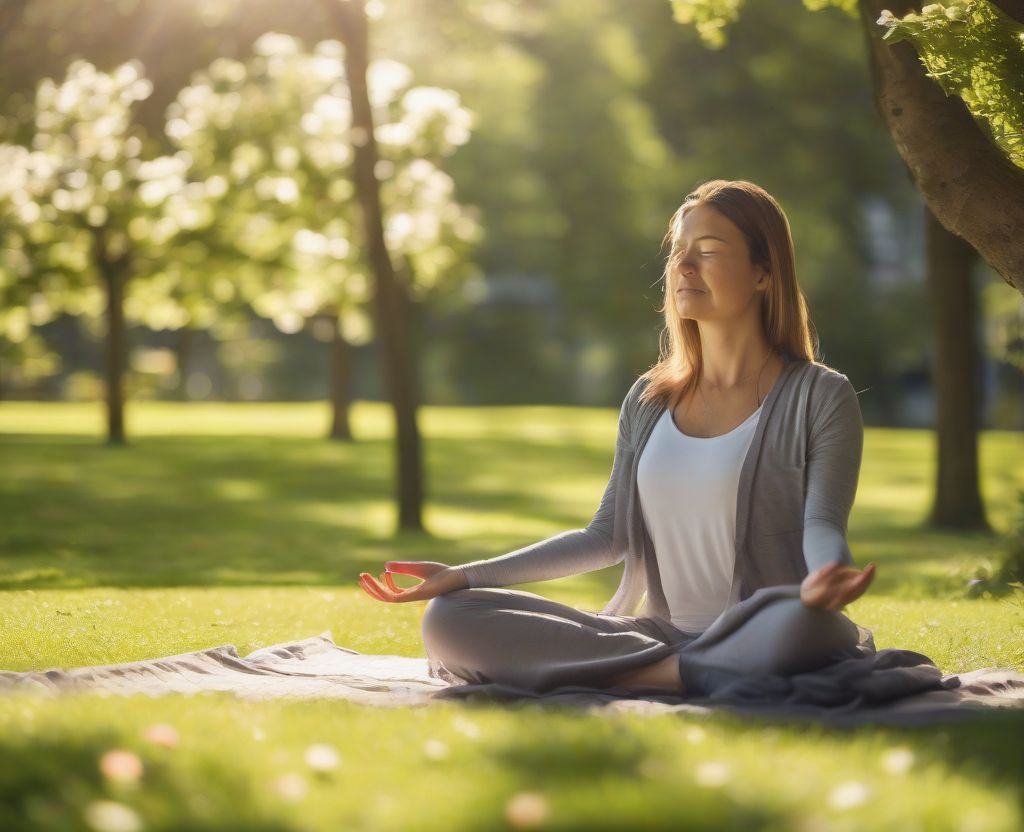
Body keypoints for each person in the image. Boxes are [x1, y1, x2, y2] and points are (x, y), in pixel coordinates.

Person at [358, 179, 878, 698]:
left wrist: (827, 573)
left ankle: (648, 673)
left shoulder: (820, 396)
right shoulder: (649, 399)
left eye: (709, 251)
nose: (684, 267)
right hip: (656, 638)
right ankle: (674, 673)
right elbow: (607, 535)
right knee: (450, 616)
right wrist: (464, 576)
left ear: (763, 274)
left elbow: (822, 523)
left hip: (767, 626)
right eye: (678, 252)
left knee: (811, 628)